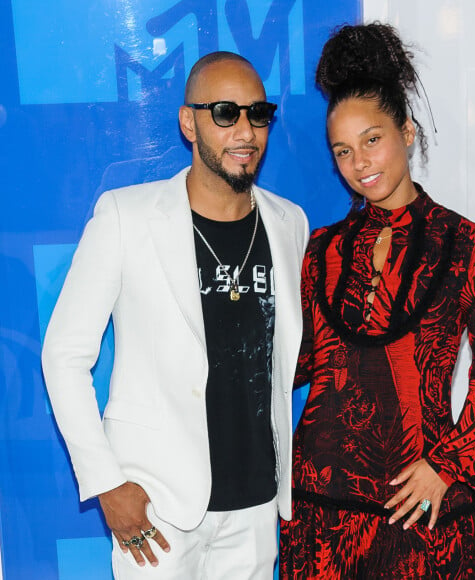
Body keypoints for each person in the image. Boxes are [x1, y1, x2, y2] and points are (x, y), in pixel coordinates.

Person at [42, 51, 309, 579]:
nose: (246, 131)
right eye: (225, 112)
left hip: (256, 507)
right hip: (157, 510)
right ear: (189, 122)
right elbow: (63, 355)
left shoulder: (289, 223)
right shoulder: (126, 216)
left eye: (258, 114)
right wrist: (106, 482)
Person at [279, 23, 475, 579]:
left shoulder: (469, 246)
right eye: (342, 151)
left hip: (421, 507)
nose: (360, 163)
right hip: (322, 513)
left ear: (407, 132)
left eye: (372, 139)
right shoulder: (322, 251)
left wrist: (450, 465)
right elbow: (301, 363)